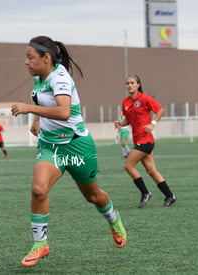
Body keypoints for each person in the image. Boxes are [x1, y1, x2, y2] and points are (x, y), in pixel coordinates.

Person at [11, 36, 126, 267]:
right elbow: (44, 101)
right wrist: (37, 120)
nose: (26, 62)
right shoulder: (39, 77)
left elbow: (64, 112)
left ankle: (114, 219)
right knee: (38, 190)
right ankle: (40, 244)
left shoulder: (60, 77)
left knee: (93, 196)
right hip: (50, 146)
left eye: (30, 57)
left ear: (46, 58)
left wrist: (28, 109)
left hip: (77, 147)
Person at [115, 74, 177, 208]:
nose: (130, 85)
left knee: (128, 166)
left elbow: (160, 110)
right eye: (127, 83)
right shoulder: (125, 102)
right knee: (151, 170)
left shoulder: (145, 98)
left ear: (138, 85)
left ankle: (145, 192)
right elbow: (128, 120)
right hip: (138, 140)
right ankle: (170, 195)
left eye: (132, 83)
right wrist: (120, 124)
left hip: (146, 140)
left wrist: (153, 123)